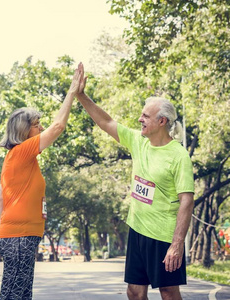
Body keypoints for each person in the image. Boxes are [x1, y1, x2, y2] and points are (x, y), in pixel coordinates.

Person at [76, 64, 194, 300]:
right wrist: (81, 95)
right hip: (138, 231)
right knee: (134, 292)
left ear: (162, 122)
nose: (140, 119)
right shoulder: (138, 142)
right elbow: (106, 122)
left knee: (169, 293)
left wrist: (177, 243)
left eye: (145, 116)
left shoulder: (178, 155)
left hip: (164, 235)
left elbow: (187, 200)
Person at [0, 63, 84, 300]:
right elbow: (58, 127)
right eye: (36, 124)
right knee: (14, 296)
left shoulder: (17, 159)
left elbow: (0, 198)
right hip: (19, 238)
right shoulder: (21, 152)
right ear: (24, 130)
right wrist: (72, 92)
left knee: (21, 295)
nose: (41, 127)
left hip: (20, 237)